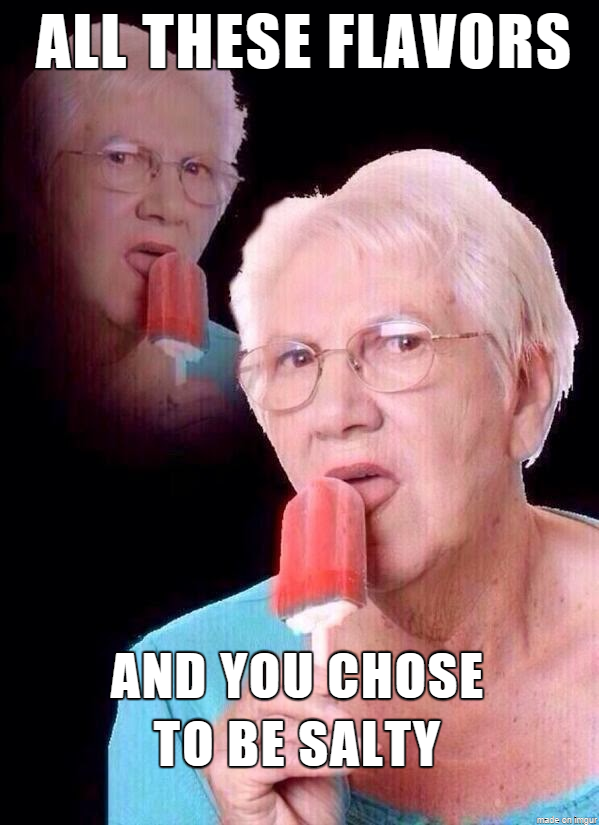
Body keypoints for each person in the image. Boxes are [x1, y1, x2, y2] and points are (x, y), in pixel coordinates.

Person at [109, 149, 597, 824]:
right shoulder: (179, 694)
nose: (335, 411)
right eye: (296, 357)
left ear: (523, 388)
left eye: (399, 342)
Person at [4, 23, 250, 460]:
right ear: (39, 183)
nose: (168, 207)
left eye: (196, 169)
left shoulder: (254, 389)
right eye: (121, 158)